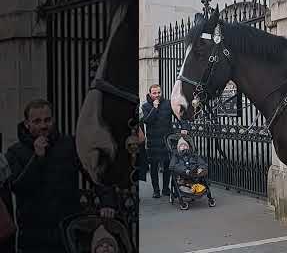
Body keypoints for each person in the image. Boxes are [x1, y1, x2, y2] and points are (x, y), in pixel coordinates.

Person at [5, 99, 116, 253]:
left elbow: (94, 172)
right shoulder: (15, 152)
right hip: (34, 236)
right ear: (27, 124)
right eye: (37, 121)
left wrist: (107, 201)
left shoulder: (69, 144)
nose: (43, 126)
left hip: (67, 230)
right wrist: (37, 159)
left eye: (47, 120)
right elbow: (19, 188)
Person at [141, 84, 174, 198]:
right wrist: (154, 108)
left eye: (158, 93)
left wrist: (183, 127)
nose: (157, 95)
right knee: (154, 167)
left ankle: (166, 189)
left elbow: (179, 115)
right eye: (154, 93)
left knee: (167, 165)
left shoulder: (168, 103)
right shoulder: (145, 106)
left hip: (166, 140)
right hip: (153, 141)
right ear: (150, 94)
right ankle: (156, 190)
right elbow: (147, 121)